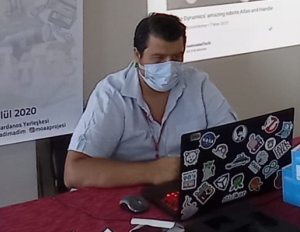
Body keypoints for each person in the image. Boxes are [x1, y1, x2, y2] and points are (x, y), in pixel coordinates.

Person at [64, 13, 236, 188]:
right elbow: (74, 172)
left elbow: (234, 140)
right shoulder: (111, 94)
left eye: (176, 58)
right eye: (159, 59)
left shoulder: (198, 84)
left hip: (187, 189)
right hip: (125, 194)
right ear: (137, 55)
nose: (169, 67)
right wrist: (152, 172)